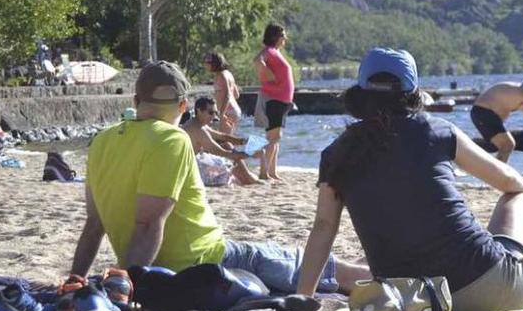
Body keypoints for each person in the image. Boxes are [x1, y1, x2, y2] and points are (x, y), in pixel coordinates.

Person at [296, 48, 523, 311]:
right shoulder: (435, 130)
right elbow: (509, 181)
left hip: (415, 303)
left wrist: (301, 302)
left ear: (361, 91)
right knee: (520, 197)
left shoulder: (336, 154)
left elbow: (323, 228)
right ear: (413, 91)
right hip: (491, 291)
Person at [69, 61, 370, 293]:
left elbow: (94, 225)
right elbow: (148, 224)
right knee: (293, 261)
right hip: (205, 261)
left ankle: (357, 269)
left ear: (135, 101)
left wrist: (77, 278)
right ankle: (368, 275)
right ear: (184, 106)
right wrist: (133, 287)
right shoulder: (172, 139)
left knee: (285, 257)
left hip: (149, 267)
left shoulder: (103, 141)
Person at [182, 96, 260, 186]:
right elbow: (224, 153)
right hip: (192, 169)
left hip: (196, 160)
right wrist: (251, 154)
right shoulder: (198, 129)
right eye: (210, 112)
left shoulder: (197, 123)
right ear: (199, 111)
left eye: (215, 113)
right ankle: (247, 178)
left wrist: (244, 141)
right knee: (230, 162)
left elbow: (223, 136)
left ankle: (247, 177)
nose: (214, 116)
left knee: (228, 145)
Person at [253, 24, 294, 181]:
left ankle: (272, 171)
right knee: (272, 137)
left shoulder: (276, 52)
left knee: (276, 137)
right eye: (282, 35)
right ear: (275, 37)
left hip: (281, 100)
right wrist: (267, 75)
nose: (285, 38)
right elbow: (257, 60)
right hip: (274, 99)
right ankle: (264, 173)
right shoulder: (269, 51)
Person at [203, 52, 242, 135]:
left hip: (228, 112)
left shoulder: (221, 75)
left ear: (214, 63)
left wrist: (221, 113)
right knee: (228, 140)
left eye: (207, 62)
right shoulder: (228, 74)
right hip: (234, 110)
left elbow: (228, 95)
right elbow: (236, 94)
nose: (205, 64)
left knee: (225, 141)